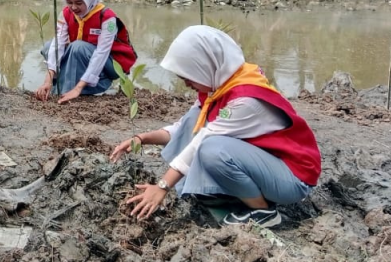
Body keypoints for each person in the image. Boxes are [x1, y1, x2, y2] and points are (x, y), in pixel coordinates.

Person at [110, 26, 321, 228]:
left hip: (291, 178)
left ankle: (263, 212)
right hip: (264, 164)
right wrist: (142, 138)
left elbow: (202, 141)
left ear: (204, 67)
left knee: (212, 149)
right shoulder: (219, 86)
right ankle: (225, 192)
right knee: (195, 118)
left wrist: (162, 186)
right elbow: (185, 128)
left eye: (188, 77)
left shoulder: (245, 100)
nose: (186, 84)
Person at [35, 0, 137, 104]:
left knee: (78, 47)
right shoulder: (66, 13)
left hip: (111, 63)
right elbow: (58, 44)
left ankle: (97, 84)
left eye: (79, 3)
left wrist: (77, 89)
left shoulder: (107, 17)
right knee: (49, 47)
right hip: (85, 55)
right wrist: (48, 79)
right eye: (69, 2)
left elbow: (102, 52)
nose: (73, 7)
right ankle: (58, 84)